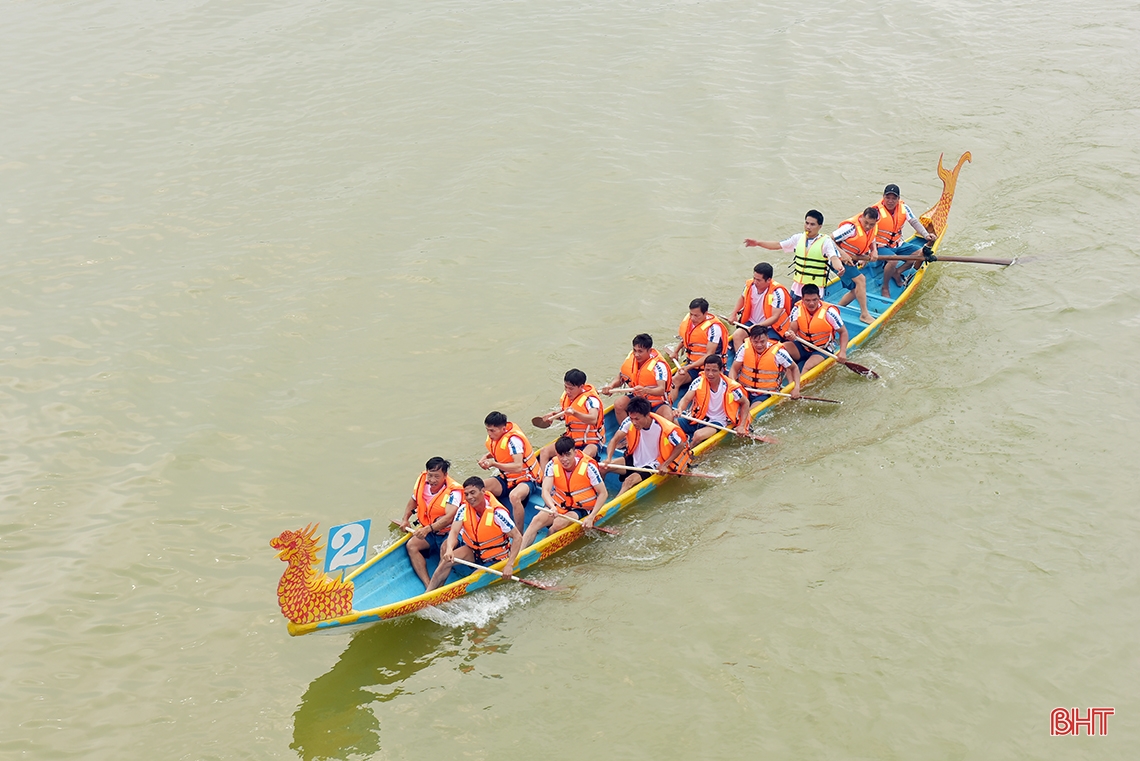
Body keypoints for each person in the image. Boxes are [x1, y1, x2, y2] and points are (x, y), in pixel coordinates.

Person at [426, 477, 523, 592]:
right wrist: (450, 549)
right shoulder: (463, 509)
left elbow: (517, 537)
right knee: (446, 561)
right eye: (466, 494)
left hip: (495, 558)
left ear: (483, 491)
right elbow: (454, 532)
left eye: (473, 493)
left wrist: (509, 565)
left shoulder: (497, 513)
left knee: (473, 580)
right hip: (474, 552)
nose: (469, 497)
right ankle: (429, 594)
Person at [521, 436, 609, 549]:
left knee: (557, 524)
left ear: (575, 452)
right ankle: (518, 556)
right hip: (559, 504)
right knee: (536, 520)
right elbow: (545, 491)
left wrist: (591, 517)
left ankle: (542, 549)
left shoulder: (589, 467)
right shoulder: (552, 465)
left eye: (568, 454)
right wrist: (552, 507)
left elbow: (603, 493)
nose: (564, 459)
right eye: (560, 455)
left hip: (580, 508)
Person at [744, 209, 844, 300]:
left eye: (812, 224)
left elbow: (833, 257)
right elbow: (778, 245)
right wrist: (757, 243)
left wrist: (839, 268)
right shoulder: (798, 238)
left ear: (820, 226)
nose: (808, 227)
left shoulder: (826, 241)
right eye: (806, 223)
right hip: (797, 289)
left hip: (814, 292)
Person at [600, 397, 691, 496]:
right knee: (603, 468)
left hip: (653, 463)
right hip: (636, 458)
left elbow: (680, 445)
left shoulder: (664, 427)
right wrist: (608, 458)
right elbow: (614, 440)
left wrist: (665, 464)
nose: (634, 422)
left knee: (628, 482)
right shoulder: (628, 422)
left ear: (647, 415)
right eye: (632, 418)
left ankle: (611, 508)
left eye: (637, 419)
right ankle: (601, 496)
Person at [400, 457, 466, 589]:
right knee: (411, 546)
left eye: (437, 476)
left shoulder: (454, 492)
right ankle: (428, 584)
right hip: (430, 531)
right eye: (430, 475)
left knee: (444, 550)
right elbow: (413, 500)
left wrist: (427, 529)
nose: (432, 480)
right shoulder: (423, 482)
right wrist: (405, 519)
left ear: (445, 476)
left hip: (451, 532)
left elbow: (448, 518)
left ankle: (439, 586)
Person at [477, 411, 539, 530]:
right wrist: (486, 457)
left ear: (503, 429)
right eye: (487, 430)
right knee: (479, 487)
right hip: (507, 478)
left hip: (526, 479)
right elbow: (499, 450)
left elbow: (518, 466)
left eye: (492, 431)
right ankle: (483, 524)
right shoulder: (497, 437)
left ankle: (518, 533)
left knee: (514, 497)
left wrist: (494, 463)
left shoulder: (514, 441)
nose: (489, 434)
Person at [536, 369, 604, 471]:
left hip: (592, 441)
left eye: (571, 388)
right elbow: (565, 414)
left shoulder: (591, 400)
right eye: (565, 387)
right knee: (544, 452)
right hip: (572, 440)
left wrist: (575, 413)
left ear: (581, 386)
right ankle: (545, 482)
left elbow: (593, 419)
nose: (567, 391)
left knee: (580, 459)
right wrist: (553, 415)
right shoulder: (568, 398)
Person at [875, 183, 937, 296]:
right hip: (880, 247)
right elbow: (867, 229)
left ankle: (897, 272)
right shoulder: (876, 211)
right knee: (893, 260)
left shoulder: (904, 208)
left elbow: (914, 222)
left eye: (894, 198)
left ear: (898, 199)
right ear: (883, 197)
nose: (890, 201)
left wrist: (926, 235)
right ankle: (885, 287)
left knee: (921, 253)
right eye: (887, 197)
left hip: (898, 244)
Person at [675, 356, 749, 446]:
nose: (710, 374)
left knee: (698, 435)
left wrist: (741, 425)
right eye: (707, 370)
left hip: (717, 422)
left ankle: (689, 452)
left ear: (721, 371)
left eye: (714, 370)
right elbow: (686, 400)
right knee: (669, 421)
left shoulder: (731, 387)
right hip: (698, 418)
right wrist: (679, 409)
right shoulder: (698, 382)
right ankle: (679, 442)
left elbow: (745, 402)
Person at [600, 333, 674, 423]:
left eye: (640, 351)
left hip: (655, 401)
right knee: (619, 404)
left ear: (649, 351)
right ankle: (629, 433)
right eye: (635, 350)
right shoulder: (631, 359)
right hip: (637, 399)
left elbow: (661, 390)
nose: (636, 354)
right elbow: (621, 377)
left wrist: (645, 390)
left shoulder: (658, 366)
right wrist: (610, 386)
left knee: (668, 416)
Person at [668, 298, 727, 403]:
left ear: (705, 313)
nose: (693, 318)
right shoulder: (689, 322)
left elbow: (709, 355)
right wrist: (676, 351)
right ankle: (668, 408)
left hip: (709, 368)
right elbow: (686, 339)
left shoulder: (713, 328)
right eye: (691, 314)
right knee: (674, 381)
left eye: (696, 315)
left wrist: (688, 367)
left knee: (704, 391)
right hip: (692, 365)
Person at [728, 262, 793, 353]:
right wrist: (733, 314)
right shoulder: (749, 285)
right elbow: (742, 298)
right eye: (754, 278)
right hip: (752, 323)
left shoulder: (777, 292)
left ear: (768, 280)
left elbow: (775, 317)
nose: (755, 282)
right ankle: (742, 362)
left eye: (758, 280)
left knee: (765, 347)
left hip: (770, 327)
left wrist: (758, 326)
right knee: (737, 336)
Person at [731, 324, 802, 407]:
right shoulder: (744, 348)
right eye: (755, 342)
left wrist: (796, 387)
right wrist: (733, 386)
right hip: (744, 390)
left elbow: (794, 368)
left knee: (749, 414)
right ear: (750, 339)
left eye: (762, 341)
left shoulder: (778, 353)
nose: (759, 345)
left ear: (767, 338)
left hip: (765, 394)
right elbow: (734, 369)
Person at [783, 284, 849, 373]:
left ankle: (799, 385)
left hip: (822, 349)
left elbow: (843, 332)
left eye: (815, 300)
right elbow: (792, 329)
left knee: (807, 367)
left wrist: (842, 352)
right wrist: (790, 334)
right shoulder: (797, 309)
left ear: (819, 297)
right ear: (802, 299)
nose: (811, 303)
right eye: (807, 300)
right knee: (780, 349)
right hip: (802, 346)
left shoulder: (829, 312)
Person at [831, 207, 880, 324]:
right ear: (862, 217)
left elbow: (872, 238)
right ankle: (864, 314)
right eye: (866, 222)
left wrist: (873, 251)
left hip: (851, 260)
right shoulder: (850, 228)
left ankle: (837, 308)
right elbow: (829, 240)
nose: (868, 226)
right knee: (861, 280)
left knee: (856, 290)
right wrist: (843, 254)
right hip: (836, 258)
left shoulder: (873, 228)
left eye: (871, 224)